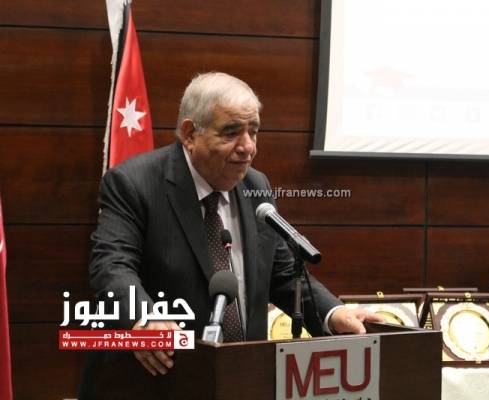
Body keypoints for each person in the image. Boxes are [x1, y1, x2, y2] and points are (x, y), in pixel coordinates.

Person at [87, 72, 383, 378]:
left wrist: (333, 312)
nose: (248, 147)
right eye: (231, 133)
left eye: (253, 132)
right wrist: (145, 318)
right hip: (162, 374)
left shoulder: (256, 186)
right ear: (190, 134)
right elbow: (112, 265)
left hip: (242, 376)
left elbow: (282, 274)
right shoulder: (134, 183)